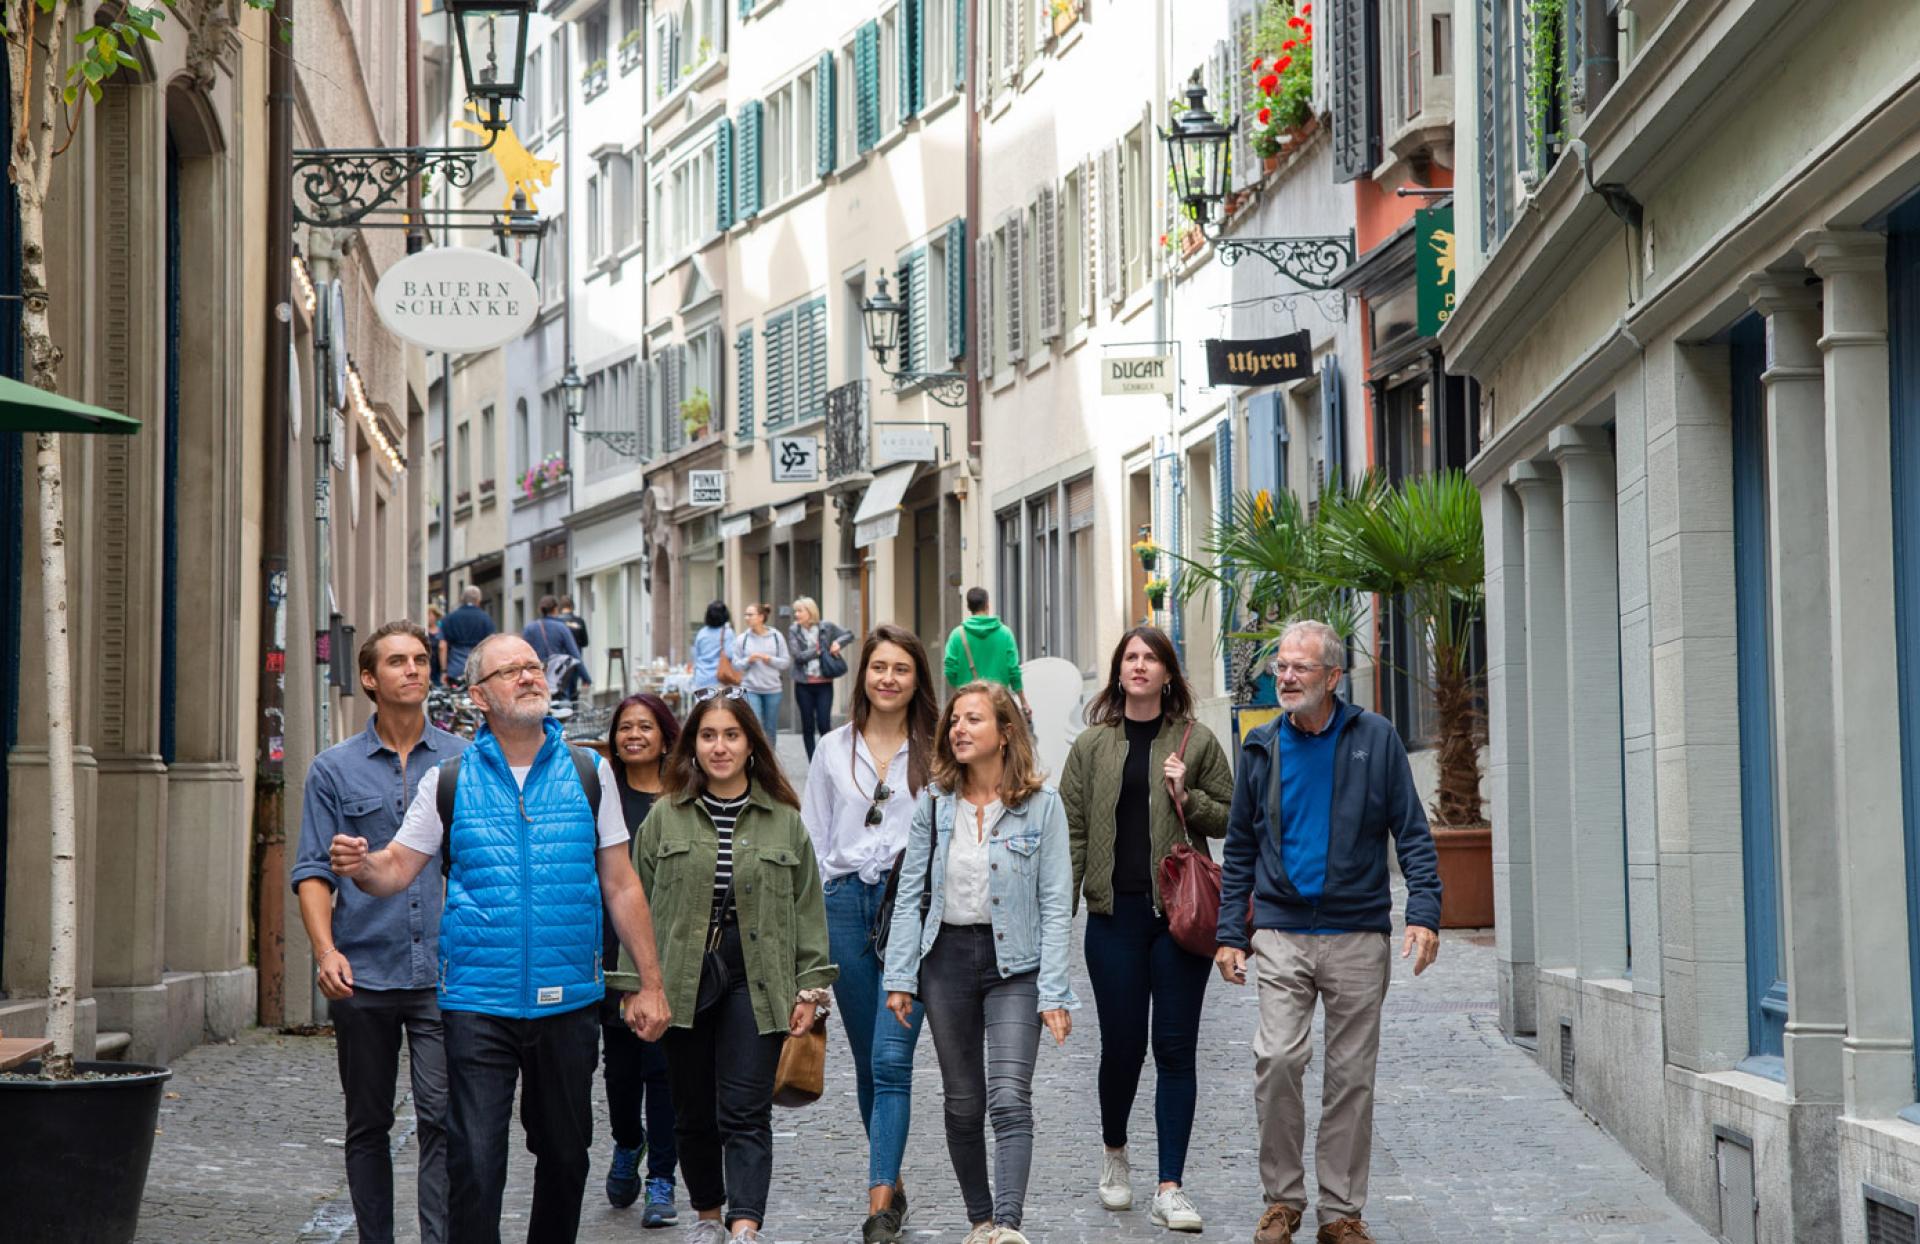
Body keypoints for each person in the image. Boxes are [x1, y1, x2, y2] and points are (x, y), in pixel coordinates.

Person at [329, 633, 673, 1244]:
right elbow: (396, 868)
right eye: (511, 670)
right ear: (480, 696)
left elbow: (621, 886)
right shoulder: (449, 781)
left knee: (567, 1157)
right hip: (476, 1006)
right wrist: (360, 867)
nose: (529, 676)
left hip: (568, 1001)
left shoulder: (591, 774)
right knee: (475, 1166)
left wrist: (649, 983)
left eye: (534, 667)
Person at [1215, 620, 1442, 1244]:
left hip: (1357, 932)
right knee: (1278, 1058)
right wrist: (1231, 932)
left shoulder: (1377, 737)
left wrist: (1423, 910)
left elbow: (1412, 832)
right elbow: (1238, 849)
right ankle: (1282, 1200)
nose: (1285, 677)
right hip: (1282, 931)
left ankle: (1340, 1212)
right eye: (1281, 667)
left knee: (1350, 1076)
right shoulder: (1261, 747)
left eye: (1299, 668)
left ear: (1333, 677)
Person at [610, 688, 836, 1244]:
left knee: (745, 1108)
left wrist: (810, 990)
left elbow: (808, 908)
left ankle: (744, 1227)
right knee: (691, 1111)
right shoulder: (664, 817)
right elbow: (633, 904)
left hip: (754, 976)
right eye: (708, 735)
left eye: (731, 735)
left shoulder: (784, 819)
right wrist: (634, 986)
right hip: (681, 975)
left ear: (751, 744)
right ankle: (708, 1218)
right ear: (691, 745)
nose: (719, 746)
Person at [883, 681, 1077, 1244]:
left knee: (1010, 1096)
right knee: (963, 1102)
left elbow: (1057, 902)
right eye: (954, 721)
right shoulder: (935, 805)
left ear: (1005, 732)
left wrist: (1055, 994)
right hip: (945, 961)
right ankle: (981, 1220)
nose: (958, 729)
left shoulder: (1044, 807)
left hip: (1015, 964)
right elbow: (910, 896)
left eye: (972, 720)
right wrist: (900, 978)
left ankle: (1009, 1227)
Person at [1060, 626, 1236, 1234]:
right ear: (1118, 671)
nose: (1140, 666)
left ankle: (1170, 1185)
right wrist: (1063, 912)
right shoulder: (1091, 746)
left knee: (1176, 1050)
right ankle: (1115, 1154)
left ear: (1168, 673)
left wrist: (1186, 793)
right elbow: (1073, 832)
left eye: (1151, 658)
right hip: (1114, 919)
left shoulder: (1198, 741)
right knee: (1123, 1048)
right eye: (1130, 657)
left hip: (1179, 919)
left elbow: (1232, 817)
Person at [292, 621, 463, 1244]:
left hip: (446, 973)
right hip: (363, 970)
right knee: (367, 1122)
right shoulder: (333, 770)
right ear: (370, 679)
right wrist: (325, 950)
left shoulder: (462, 761)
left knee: (444, 1118)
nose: (414, 670)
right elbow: (312, 870)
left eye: (420, 659)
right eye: (397, 662)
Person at [801, 624, 938, 1244]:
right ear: (863, 677)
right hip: (843, 907)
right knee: (866, 1060)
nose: (888, 678)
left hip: (910, 908)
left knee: (891, 1058)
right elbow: (814, 840)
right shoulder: (832, 748)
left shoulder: (939, 749)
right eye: (878, 667)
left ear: (917, 680)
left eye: (901, 669)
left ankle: (880, 1201)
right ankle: (893, 1178)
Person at [599, 694, 682, 1227]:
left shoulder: (683, 798)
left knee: (664, 1069)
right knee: (621, 1068)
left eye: (644, 726)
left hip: (671, 951)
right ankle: (629, 1141)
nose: (634, 735)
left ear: (664, 736)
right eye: (625, 727)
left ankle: (662, 1181)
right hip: (610, 951)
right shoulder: (600, 793)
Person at [942, 588, 1030, 722]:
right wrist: (1023, 702)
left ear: (968, 607)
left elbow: (949, 670)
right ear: (987, 604)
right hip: (999, 704)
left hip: (967, 704)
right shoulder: (1005, 634)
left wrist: (962, 688)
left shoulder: (957, 635)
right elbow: (1014, 671)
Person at [786, 596, 851, 760]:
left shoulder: (826, 627)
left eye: (800, 611)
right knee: (808, 726)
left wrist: (838, 644)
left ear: (810, 611)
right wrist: (818, 651)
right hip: (803, 684)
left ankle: (826, 760)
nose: (796, 614)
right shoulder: (794, 630)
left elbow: (848, 634)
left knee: (824, 724)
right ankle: (813, 762)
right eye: (795, 611)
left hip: (824, 684)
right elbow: (798, 656)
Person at [733, 603, 791, 744]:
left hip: (773, 689)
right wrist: (749, 660)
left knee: (770, 728)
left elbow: (785, 662)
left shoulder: (776, 636)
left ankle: (769, 759)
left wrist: (769, 659)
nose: (747, 618)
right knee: (755, 725)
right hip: (750, 689)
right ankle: (756, 759)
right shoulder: (742, 639)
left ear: (761, 617)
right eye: (746, 614)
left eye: (750, 614)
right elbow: (736, 664)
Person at [526, 594, 591, 702]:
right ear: (555, 609)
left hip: (537, 678)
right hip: (557, 678)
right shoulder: (561, 627)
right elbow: (574, 654)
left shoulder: (529, 628)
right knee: (562, 706)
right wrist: (586, 678)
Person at [437, 585, 495, 686]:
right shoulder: (486, 619)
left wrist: (444, 671)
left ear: (462, 599)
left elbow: (442, 646)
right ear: (478, 600)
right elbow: (492, 645)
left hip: (455, 669)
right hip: (478, 669)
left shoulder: (449, 618)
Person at [691, 600, 737, 691]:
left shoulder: (701, 633)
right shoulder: (727, 633)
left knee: (703, 705)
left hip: (701, 679)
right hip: (720, 679)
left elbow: (695, 656)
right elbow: (730, 654)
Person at [427, 602, 445, 687]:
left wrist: (444, 670)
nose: (427, 617)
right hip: (428, 664)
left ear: (435, 615)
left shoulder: (442, 630)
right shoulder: (424, 630)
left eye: (429, 614)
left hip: (438, 667)